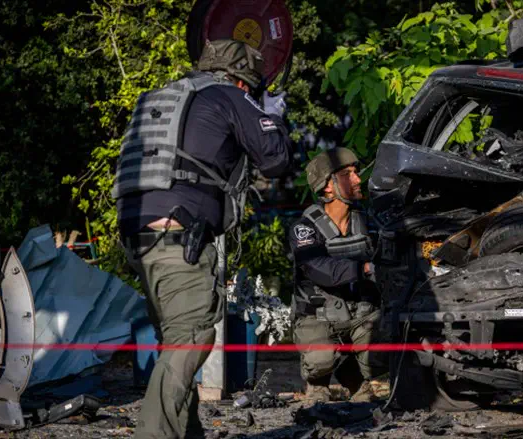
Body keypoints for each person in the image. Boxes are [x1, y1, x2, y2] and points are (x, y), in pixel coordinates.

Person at [114, 39, 292, 439]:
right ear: (242, 81)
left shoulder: (165, 98)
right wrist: (272, 117)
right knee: (191, 339)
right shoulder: (230, 96)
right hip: (181, 237)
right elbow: (275, 158)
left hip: (139, 237)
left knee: (175, 340)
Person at [289, 147, 385, 404]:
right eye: (347, 174)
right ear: (327, 187)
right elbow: (319, 268)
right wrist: (364, 269)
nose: (357, 179)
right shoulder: (304, 228)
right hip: (319, 315)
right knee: (320, 362)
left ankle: (355, 377)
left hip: (359, 314)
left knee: (385, 347)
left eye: (356, 172)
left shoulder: (368, 223)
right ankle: (317, 382)